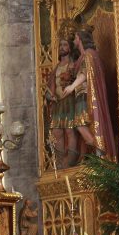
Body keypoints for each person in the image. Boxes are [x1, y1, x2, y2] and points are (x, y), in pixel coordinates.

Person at [62, 28, 117, 161]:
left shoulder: (89, 55)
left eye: (75, 38)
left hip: (86, 96)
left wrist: (72, 86)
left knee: (81, 125)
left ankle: (101, 155)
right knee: (84, 126)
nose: (74, 41)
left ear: (80, 39)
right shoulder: (85, 56)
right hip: (81, 96)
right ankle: (99, 155)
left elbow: (85, 74)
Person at [46, 32, 78, 168]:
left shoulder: (74, 65)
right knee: (56, 132)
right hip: (58, 103)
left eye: (65, 45)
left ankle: (71, 161)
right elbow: (48, 89)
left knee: (70, 130)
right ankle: (60, 163)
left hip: (70, 101)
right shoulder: (56, 68)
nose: (62, 47)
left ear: (70, 47)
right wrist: (50, 96)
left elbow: (80, 83)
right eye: (60, 45)